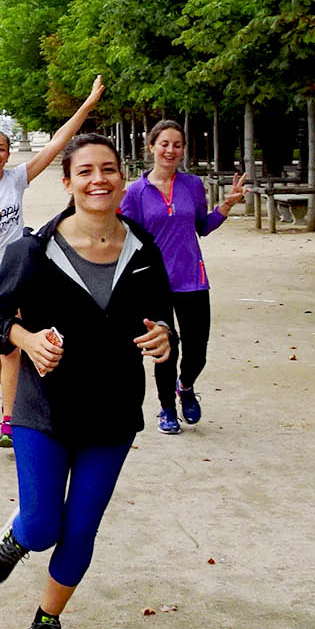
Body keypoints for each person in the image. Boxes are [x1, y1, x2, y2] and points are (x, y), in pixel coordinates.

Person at [0, 132, 173, 629]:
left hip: (113, 412)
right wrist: (28, 340)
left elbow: (161, 317)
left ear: (122, 178)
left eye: (108, 169)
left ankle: (47, 619)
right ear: (67, 183)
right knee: (43, 526)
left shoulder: (143, 248)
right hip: (44, 408)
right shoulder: (32, 251)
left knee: (81, 527)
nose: (99, 180)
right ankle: (16, 536)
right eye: (85, 171)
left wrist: (163, 338)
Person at [0, 79, 103, 448]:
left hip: (18, 269)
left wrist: (88, 104)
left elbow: (60, 141)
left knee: (12, 346)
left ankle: (10, 420)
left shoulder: (17, 179)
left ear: (7, 153)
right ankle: (11, 402)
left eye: (1, 148)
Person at [122, 120, 247, 434]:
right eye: (164, 144)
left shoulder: (192, 185)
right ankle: (166, 410)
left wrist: (227, 206)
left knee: (197, 351)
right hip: (153, 283)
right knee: (166, 349)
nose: (170, 150)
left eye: (177, 145)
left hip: (191, 278)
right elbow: (125, 236)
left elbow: (202, 226)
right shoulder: (136, 192)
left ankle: (186, 385)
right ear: (151, 147)